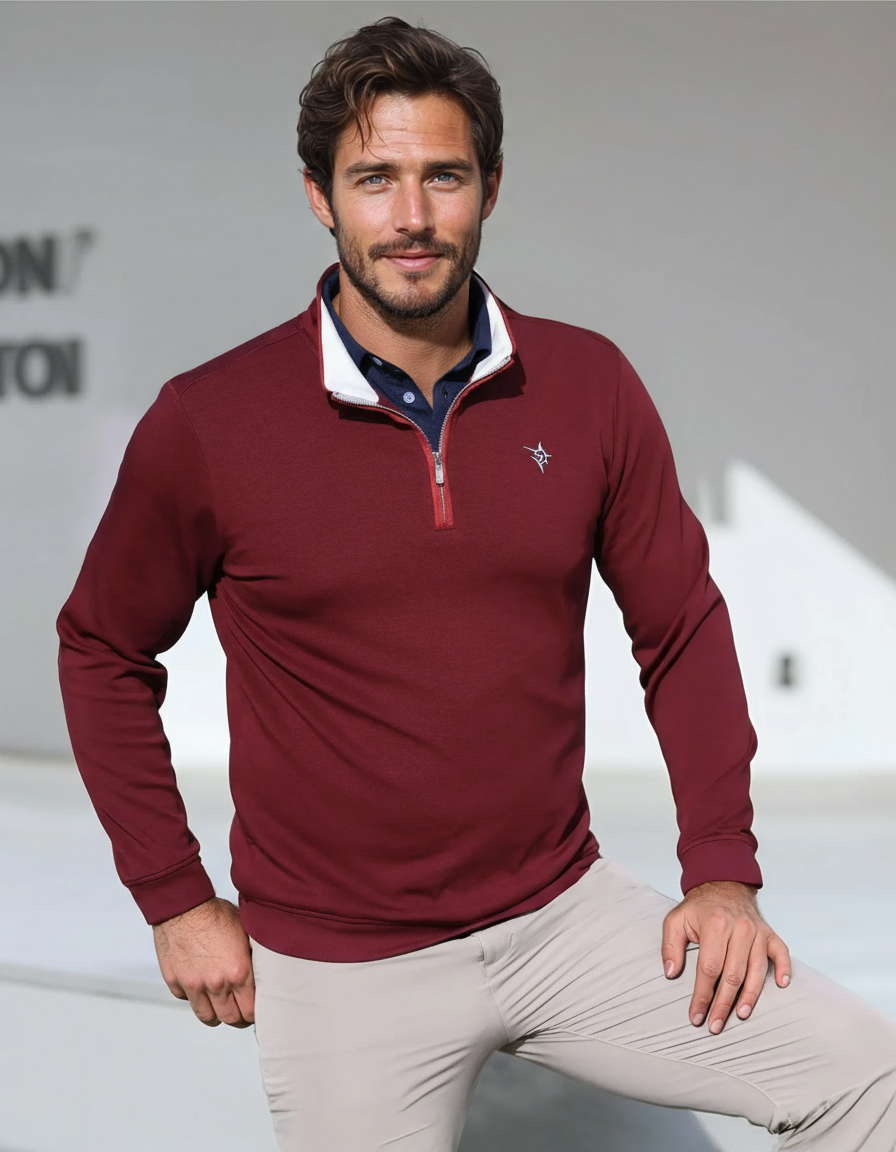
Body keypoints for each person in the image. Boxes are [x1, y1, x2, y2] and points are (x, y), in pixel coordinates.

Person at [57, 16, 896, 1152]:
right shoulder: (209, 421)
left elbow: (681, 628)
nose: (411, 216)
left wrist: (721, 872)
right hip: (344, 963)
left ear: (489, 187)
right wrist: (174, 895)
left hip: (565, 917)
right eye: (375, 179)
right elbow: (102, 648)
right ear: (319, 197)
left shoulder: (587, 384)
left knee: (868, 1076)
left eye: (442, 176)